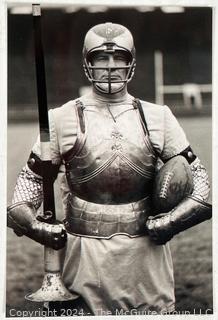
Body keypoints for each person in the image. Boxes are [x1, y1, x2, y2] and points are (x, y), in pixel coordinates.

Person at [7, 22, 212, 316]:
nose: (111, 67)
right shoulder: (61, 118)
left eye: (120, 58)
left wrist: (170, 223)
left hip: (145, 254)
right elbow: (25, 192)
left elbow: (201, 181)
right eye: (101, 58)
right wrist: (39, 228)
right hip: (83, 253)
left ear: (131, 62)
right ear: (87, 63)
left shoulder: (159, 117)